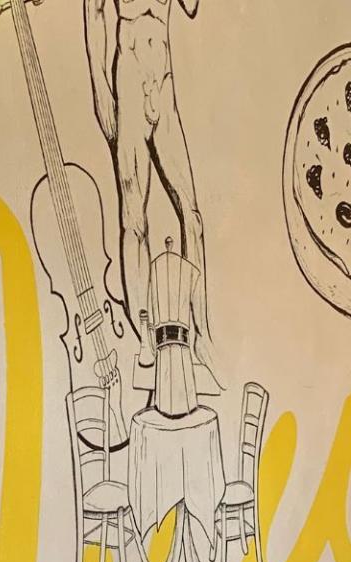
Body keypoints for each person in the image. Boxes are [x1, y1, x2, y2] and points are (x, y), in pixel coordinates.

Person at [81, 0, 210, 368]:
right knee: (134, 218)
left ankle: (202, 334)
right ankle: (145, 336)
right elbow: (95, 11)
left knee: (192, 216)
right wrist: (101, 89)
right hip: (130, 79)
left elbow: (190, 7)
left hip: (163, 84)